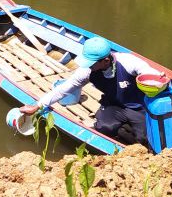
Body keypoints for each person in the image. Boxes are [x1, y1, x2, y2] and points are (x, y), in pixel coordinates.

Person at [19, 36, 163, 145]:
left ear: (105, 61)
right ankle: (121, 128)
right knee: (104, 128)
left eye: (91, 63)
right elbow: (63, 89)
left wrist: (156, 78)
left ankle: (130, 128)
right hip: (113, 105)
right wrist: (37, 106)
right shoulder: (88, 71)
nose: (88, 66)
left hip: (138, 108)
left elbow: (149, 73)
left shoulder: (129, 63)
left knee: (144, 140)